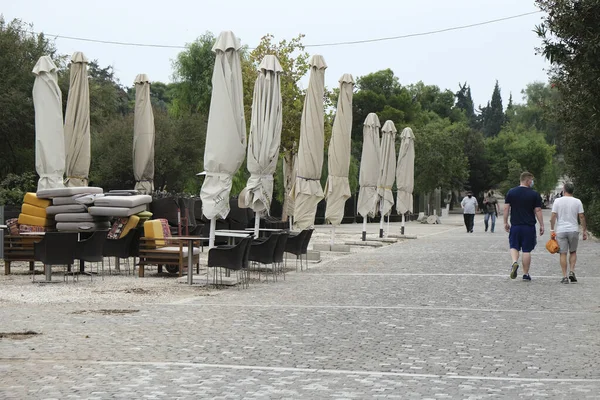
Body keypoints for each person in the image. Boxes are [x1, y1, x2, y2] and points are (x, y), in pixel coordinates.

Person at [504, 172, 544, 281]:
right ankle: (526, 274)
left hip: (515, 225)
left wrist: (505, 222)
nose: (532, 182)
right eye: (531, 180)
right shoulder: (534, 194)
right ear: (527, 181)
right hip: (528, 226)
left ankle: (514, 262)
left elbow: (506, 208)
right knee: (526, 250)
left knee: (514, 246)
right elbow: (538, 210)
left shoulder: (511, 192)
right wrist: (541, 224)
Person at [550, 182, 587, 284]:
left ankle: (564, 276)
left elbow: (553, 216)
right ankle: (572, 271)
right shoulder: (577, 202)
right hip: (573, 229)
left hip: (561, 230)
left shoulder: (557, 201)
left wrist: (552, 229)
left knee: (563, 253)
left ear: (564, 190)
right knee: (573, 251)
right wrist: (584, 230)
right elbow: (581, 216)